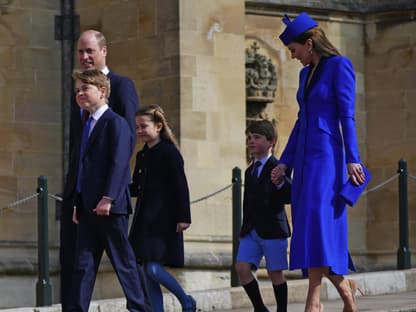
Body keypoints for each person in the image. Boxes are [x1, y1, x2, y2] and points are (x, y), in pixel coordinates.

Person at [271, 12, 367, 312]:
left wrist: (353, 159)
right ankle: (346, 291)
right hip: (304, 157)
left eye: (294, 50)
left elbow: (346, 116)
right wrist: (285, 162)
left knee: (316, 223)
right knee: (310, 225)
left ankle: (314, 300)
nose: (292, 56)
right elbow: (301, 120)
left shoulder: (340, 66)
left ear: (309, 44)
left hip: (327, 157)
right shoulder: (304, 75)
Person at [60, 29, 141, 310]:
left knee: (122, 261)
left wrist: (110, 194)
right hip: (80, 196)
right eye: (80, 51)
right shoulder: (80, 93)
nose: (84, 57)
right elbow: (78, 150)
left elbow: (124, 145)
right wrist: (76, 196)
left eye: (89, 51)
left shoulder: (121, 87)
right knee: (77, 263)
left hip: (109, 199)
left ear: (104, 51)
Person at [128, 104, 196, 312]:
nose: (139, 131)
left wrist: (184, 217)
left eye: (143, 126)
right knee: (146, 269)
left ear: (158, 127)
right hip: (144, 221)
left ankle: (186, 300)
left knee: (153, 269)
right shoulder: (142, 155)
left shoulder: (169, 152)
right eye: (137, 127)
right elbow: (136, 187)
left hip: (165, 220)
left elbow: (180, 186)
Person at [235, 120, 291, 312]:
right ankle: (260, 308)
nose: (251, 141)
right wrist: (244, 229)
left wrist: (280, 182)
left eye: (256, 137)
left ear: (271, 142)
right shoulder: (250, 171)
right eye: (249, 138)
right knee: (242, 268)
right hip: (251, 230)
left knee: (275, 272)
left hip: (273, 229)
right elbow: (247, 203)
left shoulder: (279, 167)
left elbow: (289, 196)